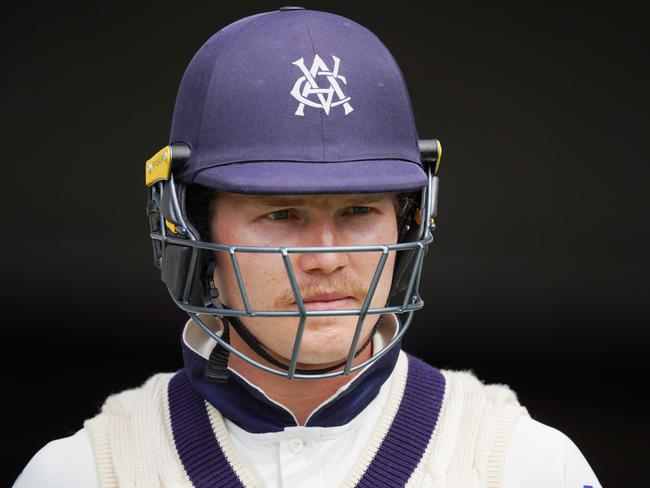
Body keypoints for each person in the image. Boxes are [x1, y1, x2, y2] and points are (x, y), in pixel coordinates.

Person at [14, 7, 602, 488]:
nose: (325, 257)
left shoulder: (526, 468)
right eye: (281, 214)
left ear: (407, 220)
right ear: (190, 228)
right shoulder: (85, 474)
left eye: (358, 212)